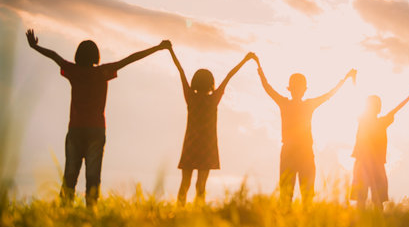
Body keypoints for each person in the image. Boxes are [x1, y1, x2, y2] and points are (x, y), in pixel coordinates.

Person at [25, 29, 170, 206]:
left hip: (76, 129)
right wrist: (157, 48)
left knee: (70, 173)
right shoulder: (103, 72)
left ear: (78, 55)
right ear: (96, 56)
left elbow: (55, 56)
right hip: (96, 130)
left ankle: (64, 209)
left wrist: (35, 46)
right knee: (93, 176)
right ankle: (91, 210)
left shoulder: (74, 71)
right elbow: (131, 58)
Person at [254, 55, 356, 206]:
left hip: (296, 151)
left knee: (293, 193)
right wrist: (344, 78)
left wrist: (259, 67)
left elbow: (267, 87)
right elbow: (329, 94)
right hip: (300, 151)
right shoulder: (304, 104)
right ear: (303, 89)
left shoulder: (287, 103)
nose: (297, 90)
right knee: (299, 193)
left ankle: (291, 221)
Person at [167, 45, 255, 206]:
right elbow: (229, 76)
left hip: (191, 145)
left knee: (185, 184)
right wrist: (245, 59)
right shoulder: (213, 99)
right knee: (201, 185)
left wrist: (170, 50)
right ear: (211, 83)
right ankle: (198, 215)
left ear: (194, 82)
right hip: (207, 146)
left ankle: (179, 212)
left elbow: (180, 71)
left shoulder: (190, 98)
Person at [351, 89, 409, 208]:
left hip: (366, 163)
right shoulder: (377, 122)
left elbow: (394, 110)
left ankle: (364, 221)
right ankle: (369, 221)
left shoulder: (365, 121)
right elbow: (395, 110)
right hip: (371, 164)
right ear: (378, 108)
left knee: (370, 199)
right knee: (374, 199)